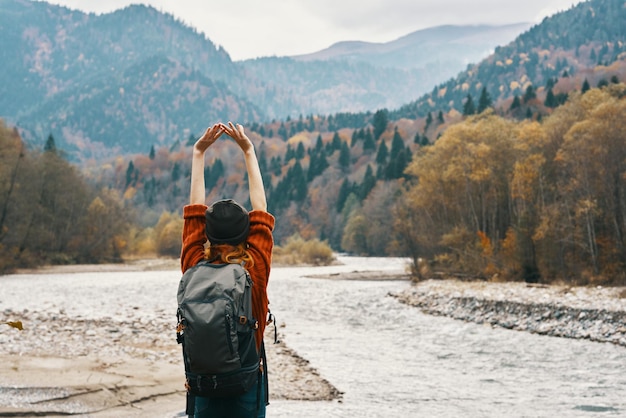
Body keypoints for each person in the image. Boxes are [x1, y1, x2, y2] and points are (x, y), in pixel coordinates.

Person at [180, 122, 275, 418]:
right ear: (247, 233)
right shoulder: (254, 266)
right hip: (245, 381)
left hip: (203, 383)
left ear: (207, 233)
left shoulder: (194, 262)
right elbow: (261, 209)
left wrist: (199, 153)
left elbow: (194, 211)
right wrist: (249, 150)